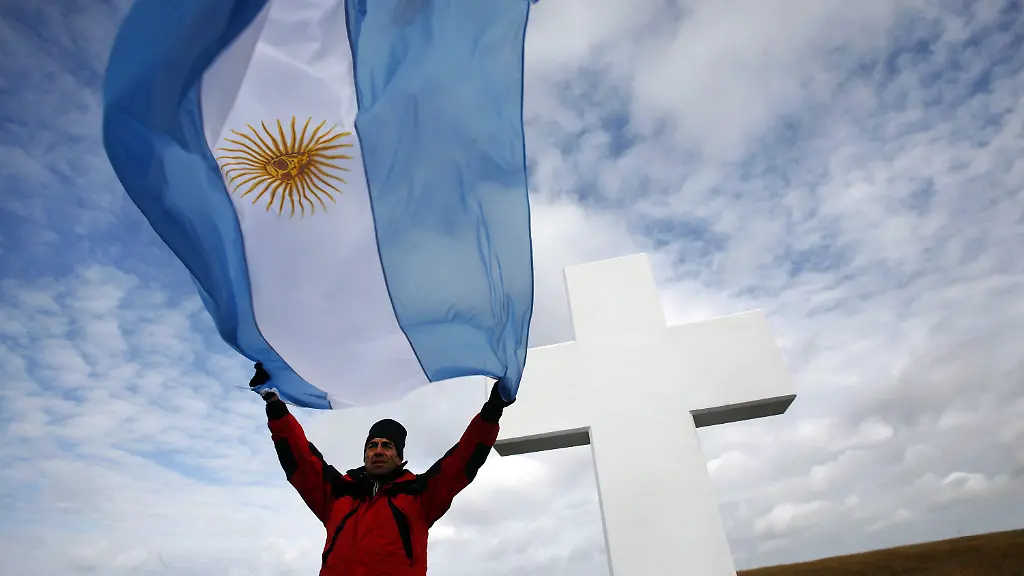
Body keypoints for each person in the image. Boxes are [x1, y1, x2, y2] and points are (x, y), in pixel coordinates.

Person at [248, 363, 515, 576]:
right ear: (364, 453)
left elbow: (462, 459)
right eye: (372, 445)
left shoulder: (420, 496)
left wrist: (492, 410)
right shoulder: (337, 493)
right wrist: (274, 403)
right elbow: (300, 458)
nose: (378, 450)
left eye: (387, 446)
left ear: (399, 458)